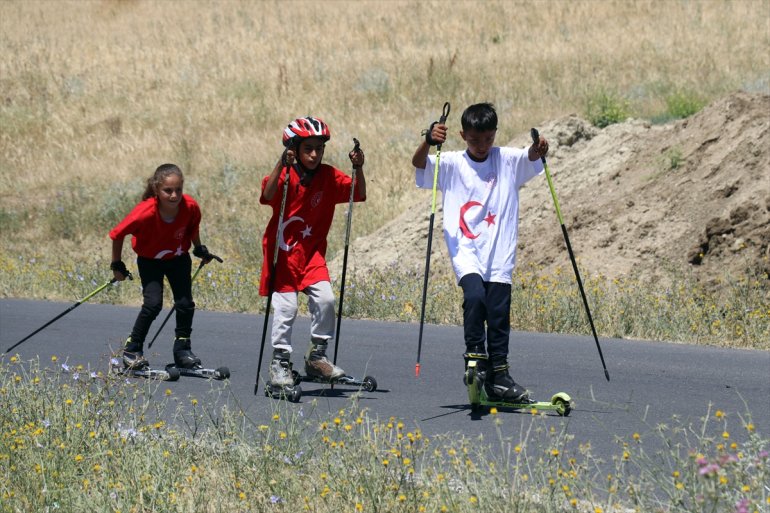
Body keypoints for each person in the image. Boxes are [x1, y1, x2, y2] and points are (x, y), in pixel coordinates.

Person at [411, 102, 549, 401]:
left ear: (495, 134)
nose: (482, 146)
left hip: (499, 252)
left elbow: (530, 156)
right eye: (474, 139)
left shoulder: (507, 159)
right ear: (462, 135)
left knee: (498, 313)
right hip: (466, 250)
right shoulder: (451, 163)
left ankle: (499, 375)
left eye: (488, 139)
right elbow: (420, 164)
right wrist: (428, 141)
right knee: (475, 299)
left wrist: (538, 150)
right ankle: (475, 360)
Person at [260, 116, 366, 387]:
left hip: (311, 255)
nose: (315, 154)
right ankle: (280, 363)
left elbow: (358, 193)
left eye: (319, 148)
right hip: (283, 254)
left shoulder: (329, 176)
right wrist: (280, 164)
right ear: (294, 149)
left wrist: (359, 168)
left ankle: (316, 357)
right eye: (308, 148)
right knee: (287, 309)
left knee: (326, 300)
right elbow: (267, 195)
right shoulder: (284, 175)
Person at [109, 163, 217, 370]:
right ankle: (133, 349)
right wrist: (117, 264)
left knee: (185, 304)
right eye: (168, 190)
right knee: (153, 304)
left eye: (178, 190)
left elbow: (192, 227)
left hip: (178, 259)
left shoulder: (190, 206)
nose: (174, 195)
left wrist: (199, 248)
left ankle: (182, 349)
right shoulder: (145, 212)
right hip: (150, 262)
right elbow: (117, 234)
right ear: (157, 189)